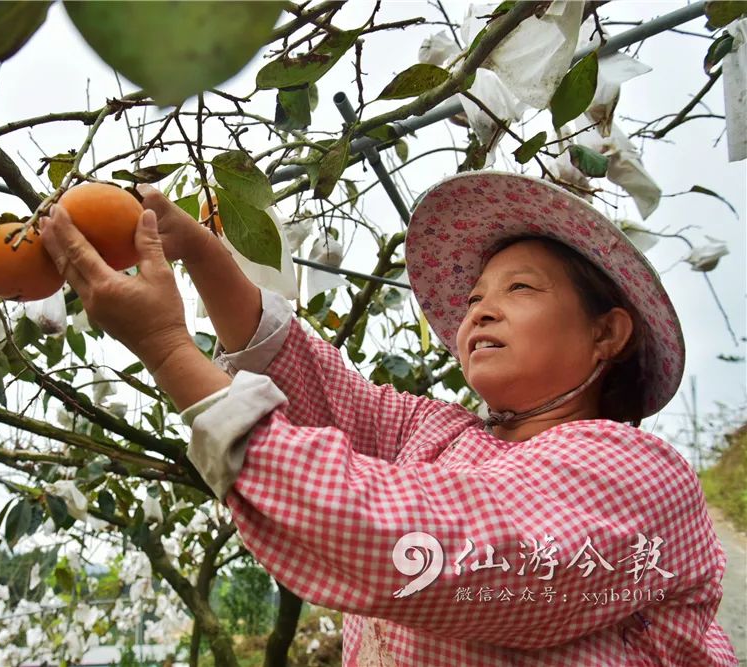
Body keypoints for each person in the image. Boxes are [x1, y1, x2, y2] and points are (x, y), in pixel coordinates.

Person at [40, 172, 738, 666]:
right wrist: (200, 251)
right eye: (473, 298)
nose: (480, 311)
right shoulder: (443, 435)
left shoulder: (633, 472)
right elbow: (318, 384)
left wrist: (168, 348)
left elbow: (421, 543)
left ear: (607, 333)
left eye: (519, 288)